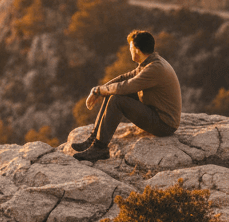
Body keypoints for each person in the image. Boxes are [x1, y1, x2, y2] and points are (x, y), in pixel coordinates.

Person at [71, 29, 182, 162]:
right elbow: (126, 77)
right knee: (111, 92)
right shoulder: (150, 61)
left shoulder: (155, 68)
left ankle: (100, 149)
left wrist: (100, 91)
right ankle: (94, 138)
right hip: (155, 110)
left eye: (130, 47)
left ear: (136, 50)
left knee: (116, 99)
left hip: (164, 124)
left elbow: (125, 87)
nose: (129, 49)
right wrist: (99, 90)